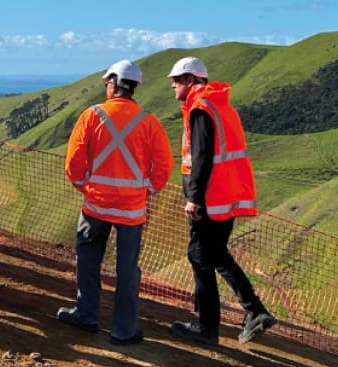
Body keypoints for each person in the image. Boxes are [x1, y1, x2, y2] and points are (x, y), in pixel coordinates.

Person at [58, 60, 173, 346]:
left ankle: (87, 315)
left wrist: (83, 185)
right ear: (133, 88)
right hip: (131, 209)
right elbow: (164, 164)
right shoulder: (149, 121)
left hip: (96, 205)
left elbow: (74, 160)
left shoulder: (92, 115)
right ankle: (124, 329)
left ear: (113, 83)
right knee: (128, 269)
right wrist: (148, 190)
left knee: (88, 259)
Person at [168, 56, 277, 344]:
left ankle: (207, 327)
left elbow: (201, 157)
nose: (173, 86)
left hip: (209, 197)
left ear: (190, 80)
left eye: (176, 80)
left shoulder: (201, 108)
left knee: (199, 255)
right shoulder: (222, 105)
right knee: (216, 254)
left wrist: (194, 197)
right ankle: (255, 310)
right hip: (227, 195)